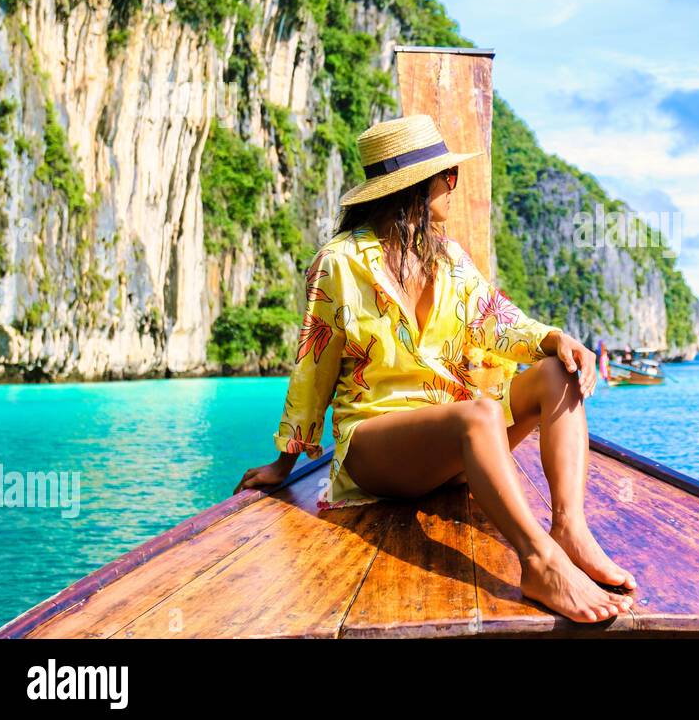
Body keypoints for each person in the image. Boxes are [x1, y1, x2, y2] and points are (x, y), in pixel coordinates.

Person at [234, 113, 635, 624]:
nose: (452, 184)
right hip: (375, 449)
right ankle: (539, 562)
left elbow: (498, 322)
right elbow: (313, 366)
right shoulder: (340, 263)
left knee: (557, 372)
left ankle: (569, 529)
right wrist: (283, 465)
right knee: (478, 415)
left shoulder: (449, 260)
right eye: (447, 176)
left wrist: (556, 339)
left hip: (451, 447)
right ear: (415, 187)